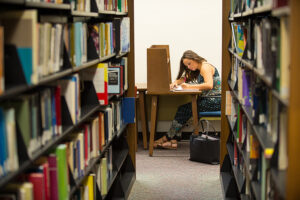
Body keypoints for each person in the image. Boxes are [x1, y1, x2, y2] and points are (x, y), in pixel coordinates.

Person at [153, 50, 221, 149]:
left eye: (189, 64)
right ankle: (173, 140)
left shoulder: (205, 67)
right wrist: (176, 82)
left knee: (184, 109)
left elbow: (209, 85)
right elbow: (185, 78)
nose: (189, 67)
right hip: (208, 100)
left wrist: (188, 87)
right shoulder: (198, 68)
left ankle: (167, 138)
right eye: (187, 66)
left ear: (194, 58)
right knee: (183, 109)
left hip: (215, 101)